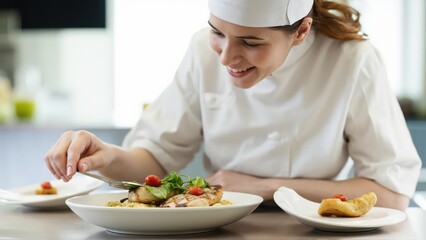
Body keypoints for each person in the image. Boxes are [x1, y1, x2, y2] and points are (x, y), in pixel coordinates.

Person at [44, 0, 421, 211]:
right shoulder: (200, 51)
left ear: (301, 31)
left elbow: (391, 194)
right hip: (219, 229)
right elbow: (155, 161)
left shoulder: (351, 60)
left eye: (251, 43)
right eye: (217, 31)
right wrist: (105, 155)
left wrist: (268, 187)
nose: (227, 56)